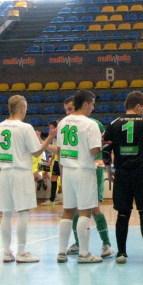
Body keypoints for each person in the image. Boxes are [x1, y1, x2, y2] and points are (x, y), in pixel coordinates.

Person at [0, 95, 56, 263]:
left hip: (5, 173)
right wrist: (49, 137)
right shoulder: (25, 127)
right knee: (23, 212)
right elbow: (36, 152)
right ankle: (21, 251)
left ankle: (6, 252)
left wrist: (3, 171)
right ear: (22, 108)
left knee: (6, 214)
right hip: (21, 172)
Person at [102, 91, 143, 264]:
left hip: (122, 173)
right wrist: (140, 155)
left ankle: (121, 253)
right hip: (142, 173)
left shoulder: (114, 124)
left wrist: (109, 170)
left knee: (122, 214)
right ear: (138, 106)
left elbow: (106, 151)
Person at [55, 90, 104, 264]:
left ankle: (61, 252)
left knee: (67, 211)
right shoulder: (90, 124)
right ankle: (84, 253)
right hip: (83, 170)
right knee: (85, 211)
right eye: (91, 104)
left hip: (67, 170)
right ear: (85, 104)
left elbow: (60, 150)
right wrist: (104, 145)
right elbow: (94, 150)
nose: (92, 108)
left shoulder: (63, 123)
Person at [63, 97, 114, 259]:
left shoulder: (93, 124)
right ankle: (79, 244)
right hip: (78, 169)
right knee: (75, 208)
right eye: (66, 110)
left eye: (70, 109)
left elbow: (98, 149)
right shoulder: (68, 123)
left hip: (91, 168)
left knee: (92, 208)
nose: (68, 113)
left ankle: (106, 243)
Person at [41, 120, 62, 205]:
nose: (50, 129)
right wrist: (52, 157)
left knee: (62, 180)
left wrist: (50, 161)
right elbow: (55, 148)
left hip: (61, 160)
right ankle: (52, 199)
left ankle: (60, 198)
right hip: (57, 159)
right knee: (54, 178)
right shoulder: (55, 136)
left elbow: (58, 148)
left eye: (51, 127)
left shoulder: (59, 135)